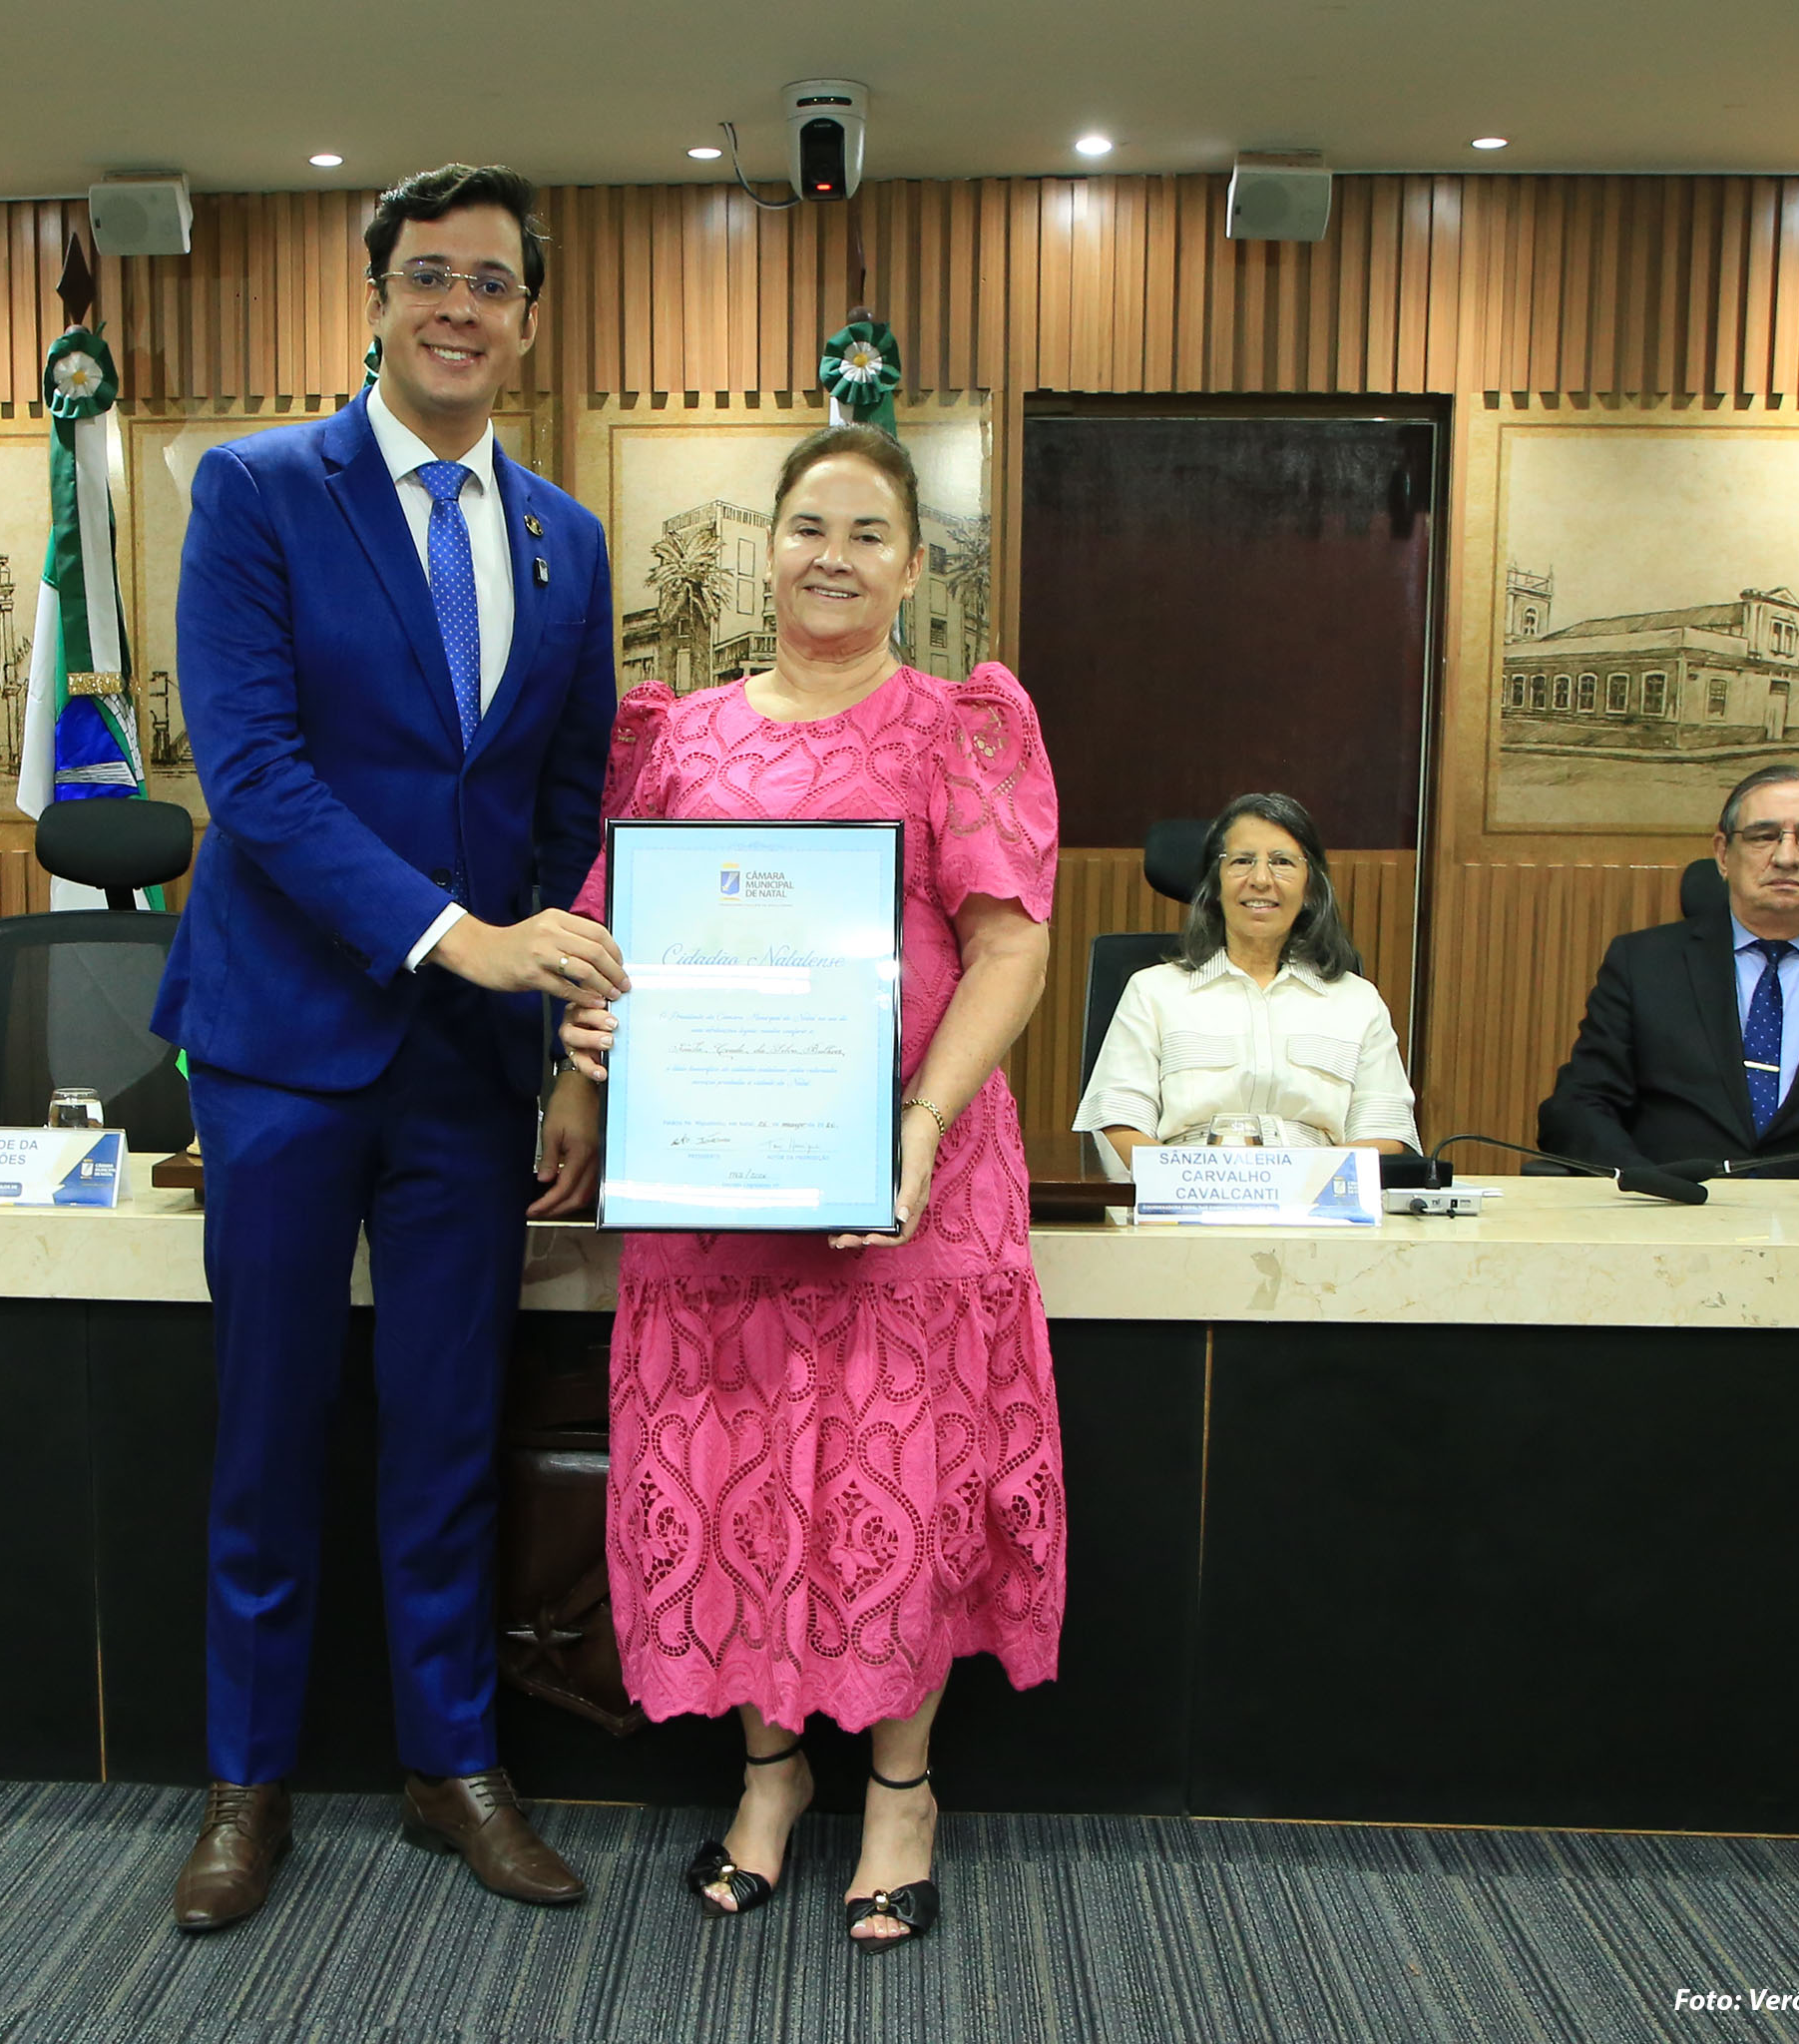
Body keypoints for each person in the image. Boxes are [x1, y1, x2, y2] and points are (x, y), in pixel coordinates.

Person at [149, 163, 624, 1932]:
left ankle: (452, 1765)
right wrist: (457, 935)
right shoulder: (259, 490)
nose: (458, 307)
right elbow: (253, 774)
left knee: (449, 1428)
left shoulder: (566, 538)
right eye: (430, 274)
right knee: (269, 1431)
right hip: (282, 1048)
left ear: (527, 319)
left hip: (470, 1072)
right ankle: (245, 1784)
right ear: (377, 296)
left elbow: (567, 802)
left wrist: (561, 1048)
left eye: (492, 283)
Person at [557, 424, 1064, 1950]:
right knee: (743, 1473)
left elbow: (1011, 946)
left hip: (910, 1178)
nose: (831, 556)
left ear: (911, 567)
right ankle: (768, 1775)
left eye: (866, 533)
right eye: (806, 527)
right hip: (716, 1191)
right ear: (766, 550)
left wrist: (916, 1122)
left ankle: (901, 1792)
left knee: (895, 1480)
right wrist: (587, 1050)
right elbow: (614, 934)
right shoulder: (678, 736)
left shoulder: (957, 727)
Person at [1538, 764, 1799, 1173]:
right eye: (1763, 836)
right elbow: (1578, 1108)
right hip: (1671, 1211)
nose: (1787, 857)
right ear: (1723, 854)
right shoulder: (1643, 966)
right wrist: (1647, 1184)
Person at [1074, 791, 1417, 1170]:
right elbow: (1118, 1124)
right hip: (1183, 1189)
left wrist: (1297, 1181)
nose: (1261, 879)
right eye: (1242, 861)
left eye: (1282, 862)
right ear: (1216, 883)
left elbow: (1385, 1134)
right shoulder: (1153, 992)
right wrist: (1190, 1181)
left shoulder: (1357, 1001)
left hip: (1318, 1193)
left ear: (1310, 887)